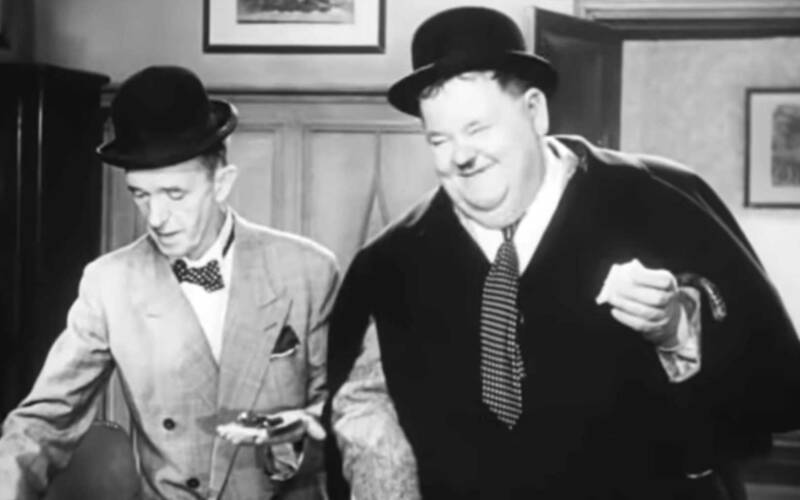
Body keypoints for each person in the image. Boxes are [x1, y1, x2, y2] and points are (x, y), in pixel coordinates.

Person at [325, 6, 800, 499]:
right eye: (439, 139)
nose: (460, 156)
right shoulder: (391, 264)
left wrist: (677, 328)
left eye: (478, 129)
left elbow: (769, 384)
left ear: (535, 112)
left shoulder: (659, 199)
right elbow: (367, 418)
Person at [0, 66, 339, 500]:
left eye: (175, 194)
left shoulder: (308, 270)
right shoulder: (110, 283)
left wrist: (300, 429)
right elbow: (44, 421)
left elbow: (344, 410)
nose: (157, 218)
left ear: (222, 184)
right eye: (141, 195)